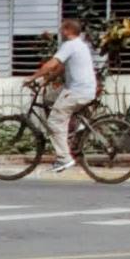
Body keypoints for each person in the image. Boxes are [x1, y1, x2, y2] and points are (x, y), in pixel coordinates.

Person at [33, 13, 99, 168]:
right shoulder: (81, 45)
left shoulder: (69, 45)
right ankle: (76, 129)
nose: (60, 32)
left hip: (77, 91)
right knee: (52, 99)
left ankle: (64, 158)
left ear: (68, 30)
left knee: (54, 121)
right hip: (86, 90)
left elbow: (51, 64)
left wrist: (32, 77)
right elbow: (61, 68)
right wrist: (46, 81)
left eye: (62, 29)